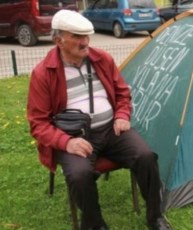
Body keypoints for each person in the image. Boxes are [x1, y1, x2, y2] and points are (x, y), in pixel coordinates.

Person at [27, 9, 172, 230]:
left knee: (146, 157)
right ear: (58, 40)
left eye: (87, 35)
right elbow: (38, 123)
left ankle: (156, 217)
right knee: (79, 175)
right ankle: (95, 225)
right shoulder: (43, 73)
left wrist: (122, 115)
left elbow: (123, 93)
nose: (85, 42)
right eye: (77, 36)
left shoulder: (101, 59)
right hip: (74, 137)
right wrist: (67, 142)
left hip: (110, 130)